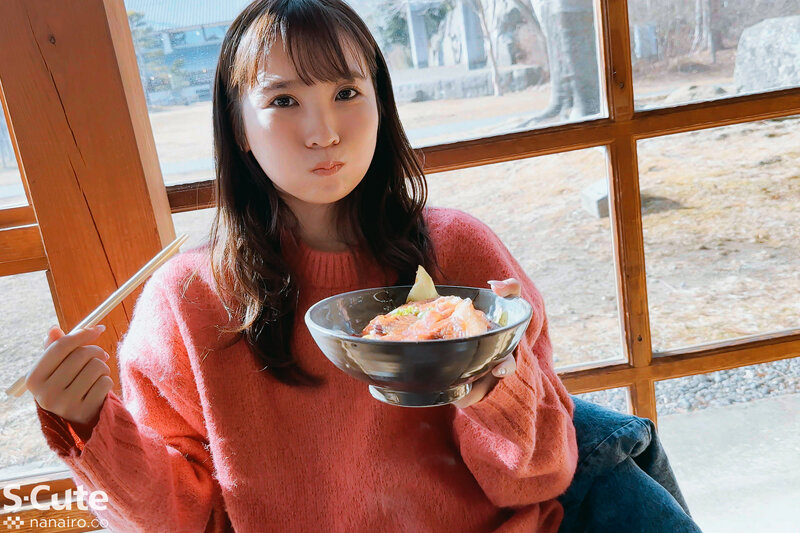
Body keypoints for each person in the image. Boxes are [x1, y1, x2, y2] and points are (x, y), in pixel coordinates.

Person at [25, 1, 699, 532]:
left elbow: (537, 479)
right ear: (237, 127)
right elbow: (180, 518)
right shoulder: (188, 298)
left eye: (347, 92)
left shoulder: (461, 251)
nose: (324, 132)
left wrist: (494, 385)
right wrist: (89, 423)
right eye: (283, 101)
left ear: (381, 102)